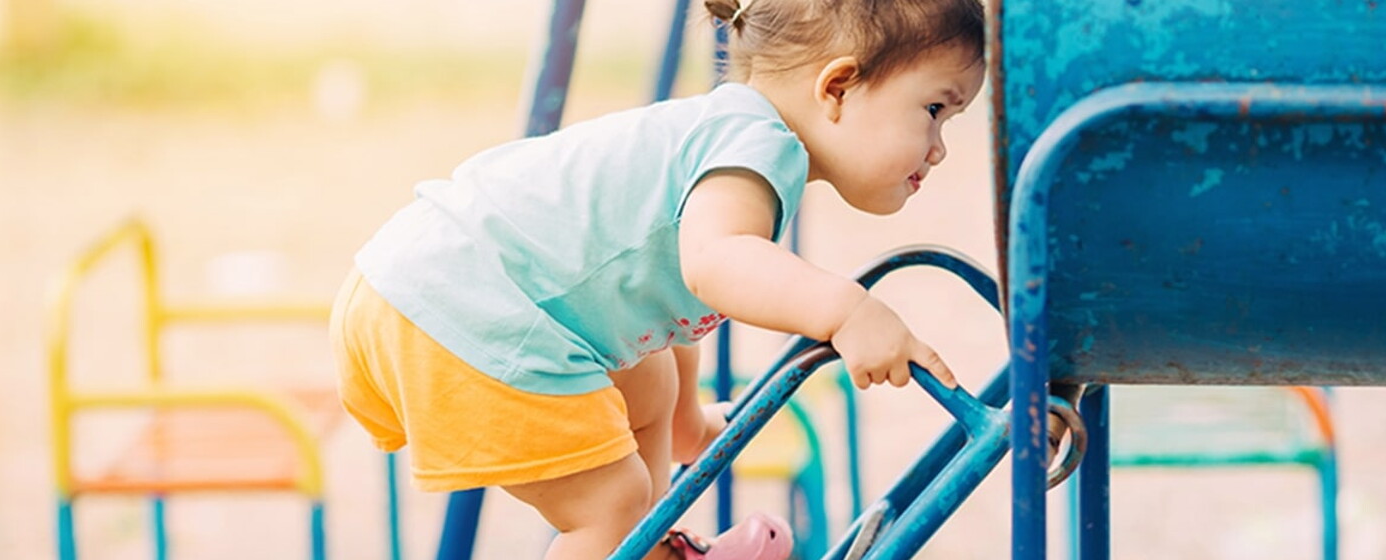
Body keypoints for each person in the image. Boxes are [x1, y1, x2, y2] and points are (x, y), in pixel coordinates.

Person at [330, 0, 986, 557]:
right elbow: (714, 264)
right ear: (837, 86)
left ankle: (651, 543)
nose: (939, 147)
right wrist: (847, 311)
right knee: (609, 503)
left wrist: (688, 423)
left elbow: (662, 296)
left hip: (414, 283)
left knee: (647, 384)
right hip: (462, 305)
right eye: (934, 108)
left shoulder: (719, 128)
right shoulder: (760, 146)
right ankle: (630, 538)